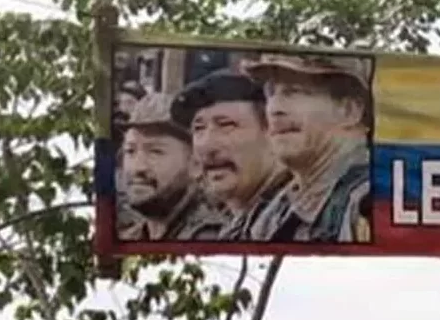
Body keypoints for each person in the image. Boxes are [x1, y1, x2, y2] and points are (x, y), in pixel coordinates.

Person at [240, 52, 373, 243]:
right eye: (270, 93)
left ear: (349, 111)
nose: (274, 109)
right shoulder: (273, 209)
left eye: (294, 92)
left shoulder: (368, 200)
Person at [172, 69, 291, 241]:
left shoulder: (294, 220)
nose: (207, 146)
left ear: (272, 132)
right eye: (198, 129)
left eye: (226, 125)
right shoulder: (242, 223)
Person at [116, 93, 224, 242]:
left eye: (155, 152)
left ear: (196, 165)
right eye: (130, 151)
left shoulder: (210, 238)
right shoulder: (132, 237)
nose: (138, 167)